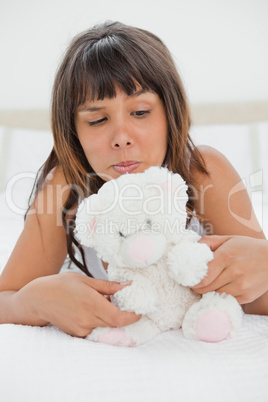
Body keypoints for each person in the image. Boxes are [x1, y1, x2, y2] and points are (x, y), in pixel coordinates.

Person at [0, 21, 266, 338]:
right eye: (97, 120)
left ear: (171, 113)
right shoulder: (65, 188)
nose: (121, 138)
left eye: (140, 112)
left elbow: (257, 297)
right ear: (74, 133)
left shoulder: (202, 172)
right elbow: (7, 298)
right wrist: (34, 302)